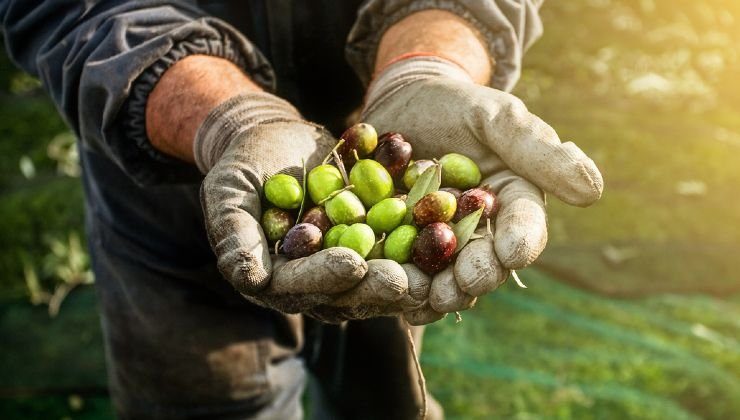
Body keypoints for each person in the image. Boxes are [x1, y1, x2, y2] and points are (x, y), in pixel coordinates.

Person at [1, 1, 602, 418]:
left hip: (389, 129)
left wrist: (427, 64)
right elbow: (67, 8)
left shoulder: (396, 193)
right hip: (164, 183)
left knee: (385, 393)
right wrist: (232, 120)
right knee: (202, 404)